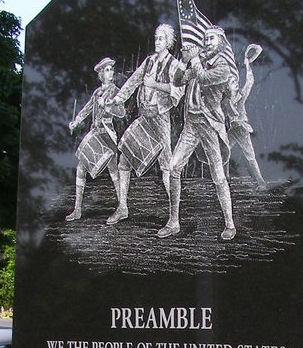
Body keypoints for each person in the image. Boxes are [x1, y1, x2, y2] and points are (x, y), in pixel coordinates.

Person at [165, 26, 237, 240]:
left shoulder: (223, 67)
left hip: (209, 126)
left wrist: (194, 60)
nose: (207, 41)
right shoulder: (200, 61)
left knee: (218, 176)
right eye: (205, 38)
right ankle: (173, 222)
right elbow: (178, 81)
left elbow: (204, 79)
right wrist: (185, 60)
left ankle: (230, 224)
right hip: (191, 123)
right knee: (173, 167)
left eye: (211, 38)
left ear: (222, 42)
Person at [109, 23, 185, 225]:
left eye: (161, 38)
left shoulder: (176, 65)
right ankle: (122, 207)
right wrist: (118, 98)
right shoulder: (149, 62)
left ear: (169, 42)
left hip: (160, 119)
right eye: (156, 38)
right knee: (124, 160)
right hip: (143, 117)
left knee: (166, 166)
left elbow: (177, 91)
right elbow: (133, 81)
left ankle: (174, 216)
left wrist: (154, 85)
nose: (157, 41)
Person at [66, 57, 123, 221]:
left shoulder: (116, 91)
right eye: (107, 70)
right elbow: (86, 109)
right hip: (95, 134)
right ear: (101, 75)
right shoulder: (97, 92)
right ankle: (77, 210)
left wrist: (107, 105)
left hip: (107, 135)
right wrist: (76, 121)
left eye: (111, 69)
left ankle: (122, 206)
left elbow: (122, 113)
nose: (111, 72)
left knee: (114, 171)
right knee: (82, 168)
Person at [224, 43, 265, 188]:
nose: (235, 83)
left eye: (235, 81)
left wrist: (248, 65)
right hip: (232, 130)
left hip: (241, 128)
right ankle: (225, 180)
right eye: (232, 82)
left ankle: (260, 182)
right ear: (227, 86)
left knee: (250, 155)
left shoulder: (241, 96)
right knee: (225, 151)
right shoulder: (226, 101)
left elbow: (249, 82)